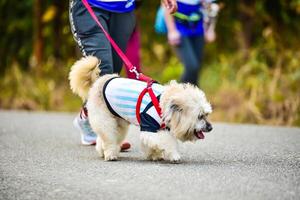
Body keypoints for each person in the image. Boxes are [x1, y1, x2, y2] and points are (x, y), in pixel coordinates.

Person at [69, 0, 177, 148]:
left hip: (123, 8)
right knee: (103, 71)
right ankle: (107, 136)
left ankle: (85, 117)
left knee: (114, 72)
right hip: (90, 5)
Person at [164, 0, 218, 86]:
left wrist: (210, 29)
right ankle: (177, 94)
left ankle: (194, 96)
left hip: (198, 29)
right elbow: (166, 4)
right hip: (180, 30)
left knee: (197, 68)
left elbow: (212, 6)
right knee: (192, 67)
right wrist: (171, 30)